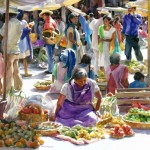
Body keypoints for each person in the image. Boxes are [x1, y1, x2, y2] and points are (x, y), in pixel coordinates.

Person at [0, 8, 22, 94]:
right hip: (16, 49)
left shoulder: (7, 24)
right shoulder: (19, 23)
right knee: (16, 70)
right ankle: (19, 87)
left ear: (8, 15)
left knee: (8, 72)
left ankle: (6, 91)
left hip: (8, 50)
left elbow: (1, 35)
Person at [89, 9, 110, 76]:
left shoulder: (95, 21)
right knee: (102, 59)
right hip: (101, 43)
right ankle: (102, 73)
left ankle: (96, 72)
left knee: (96, 58)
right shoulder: (104, 23)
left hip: (94, 43)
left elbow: (90, 27)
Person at [39, 9, 57, 74]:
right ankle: (52, 69)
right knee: (51, 55)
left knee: (49, 55)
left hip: (49, 40)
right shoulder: (53, 20)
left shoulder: (48, 22)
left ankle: (50, 70)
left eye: (43, 16)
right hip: (53, 40)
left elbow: (51, 29)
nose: (42, 17)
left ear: (44, 15)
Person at [17, 10, 33, 77]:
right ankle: (26, 73)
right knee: (24, 58)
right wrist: (30, 28)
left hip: (17, 42)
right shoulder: (24, 22)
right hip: (23, 42)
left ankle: (16, 74)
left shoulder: (15, 22)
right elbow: (28, 32)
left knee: (17, 59)